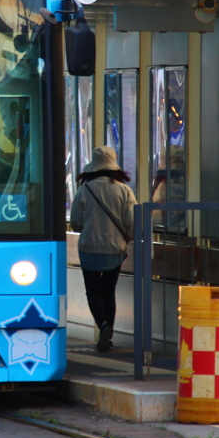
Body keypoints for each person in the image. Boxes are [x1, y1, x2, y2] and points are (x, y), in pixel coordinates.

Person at [70, 146, 136, 352]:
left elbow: (76, 224)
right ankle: (108, 336)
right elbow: (132, 222)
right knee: (109, 292)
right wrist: (126, 238)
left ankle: (103, 326)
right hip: (114, 249)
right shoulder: (124, 190)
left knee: (93, 292)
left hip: (90, 248)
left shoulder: (84, 190)